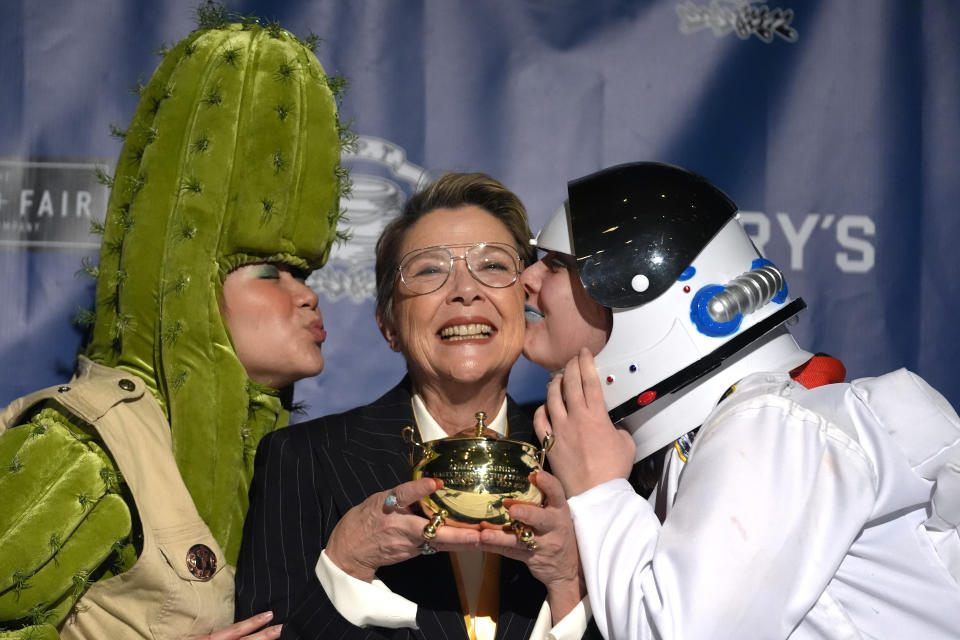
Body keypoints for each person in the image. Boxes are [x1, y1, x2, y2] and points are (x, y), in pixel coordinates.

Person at [0, 12, 349, 640]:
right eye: (270, 272)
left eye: (307, 274)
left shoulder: (278, 463)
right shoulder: (79, 448)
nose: (307, 298)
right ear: (188, 286)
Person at [519, 161, 960, 639]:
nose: (528, 278)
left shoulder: (770, 426)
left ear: (644, 298)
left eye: (558, 264)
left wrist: (598, 489)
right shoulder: (713, 439)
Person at [235, 172, 600, 640]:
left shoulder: (583, 462)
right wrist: (347, 564)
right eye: (429, 270)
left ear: (526, 299)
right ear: (388, 324)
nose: (465, 290)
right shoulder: (304, 460)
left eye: (492, 266)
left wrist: (568, 585)